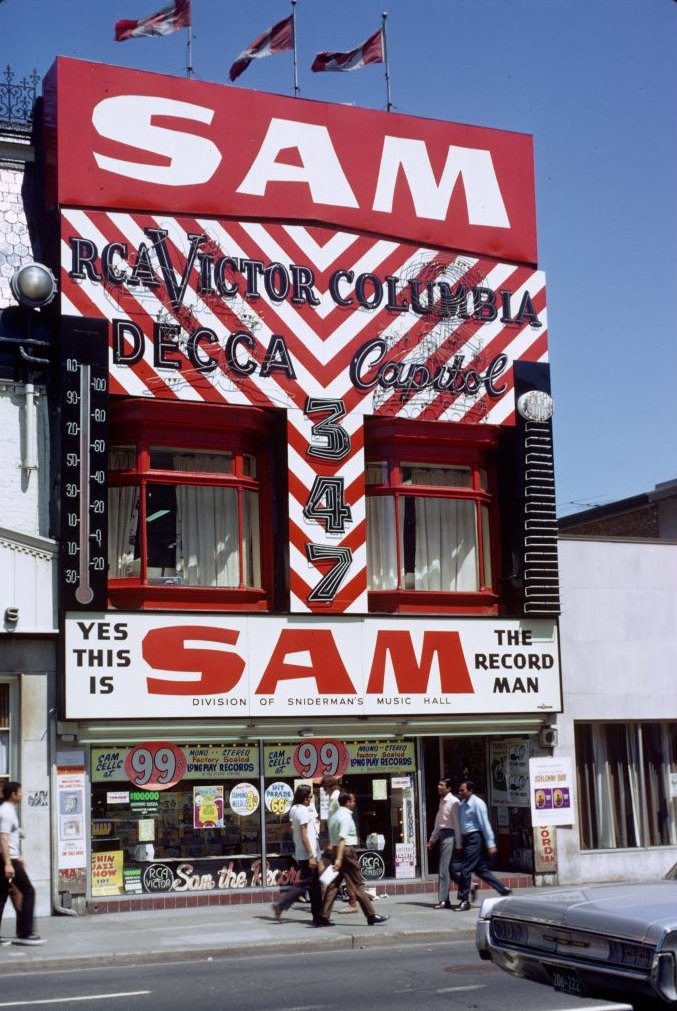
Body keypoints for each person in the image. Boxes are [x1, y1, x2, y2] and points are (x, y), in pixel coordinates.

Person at [318, 791, 389, 927]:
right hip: (345, 852)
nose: (354, 803)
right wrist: (339, 859)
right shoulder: (345, 817)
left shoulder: (334, 816)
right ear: (347, 802)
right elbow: (342, 838)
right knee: (357, 884)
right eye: (353, 801)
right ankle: (371, 915)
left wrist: (336, 857)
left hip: (336, 850)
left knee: (333, 886)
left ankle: (323, 916)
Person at [451, 779, 511, 911]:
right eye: (460, 790)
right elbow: (461, 826)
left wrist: (490, 843)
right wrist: (460, 844)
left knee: (465, 869)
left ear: (470, 790)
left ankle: (464, 900)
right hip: (467, 839)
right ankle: (502, 889)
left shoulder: (477, 804)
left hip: (475, 838)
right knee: (480, 870)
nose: (460, 792)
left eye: (463, 790)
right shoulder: (462, 804)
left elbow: (485, 824)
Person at [272, 784, 323, 926]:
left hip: (303, 852)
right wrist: (312, 855)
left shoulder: (294, 809)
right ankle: (281, 904)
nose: (311, 799)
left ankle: (318, 917)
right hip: (307, 853)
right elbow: (304, 835)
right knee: (305, 884)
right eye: (310, 797)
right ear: (305, 798)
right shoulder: (302, 812)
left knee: (315, 887)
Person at [0, 781, 45, 944]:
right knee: (29, 892)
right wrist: (8, 863)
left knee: (2, 896)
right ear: (13, 794)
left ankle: (23, 931)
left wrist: (17, 856)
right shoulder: (6, 811)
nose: (21, 794)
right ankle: (25, 933)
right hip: (8, 859)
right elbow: (3, 838)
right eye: (20, 792)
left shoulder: (7, 810)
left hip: (11, 857)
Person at [321, 774, 357, 913]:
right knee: (345, 874)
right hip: (336, 841)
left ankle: (351, 902)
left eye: (324, 787)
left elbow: (339, 819)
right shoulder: (333, 797)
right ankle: (351, 901)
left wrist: (333, 842)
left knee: (330, 873)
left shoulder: (336, 798)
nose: (323, 791)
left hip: (338, 843)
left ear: (330, 786)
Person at [427, 777, 460, 908]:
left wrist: (459, 844)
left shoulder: (454, 802)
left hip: (450, 835)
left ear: (449, 788)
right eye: (438, 784)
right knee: (450, 870)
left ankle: (443, 900)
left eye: (442, 785)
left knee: (443, 869)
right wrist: (432, 839)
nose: (438, 787)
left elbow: (457, 824)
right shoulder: (442, 801)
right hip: (443, 834)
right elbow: (438, 822)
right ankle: (468, 886)